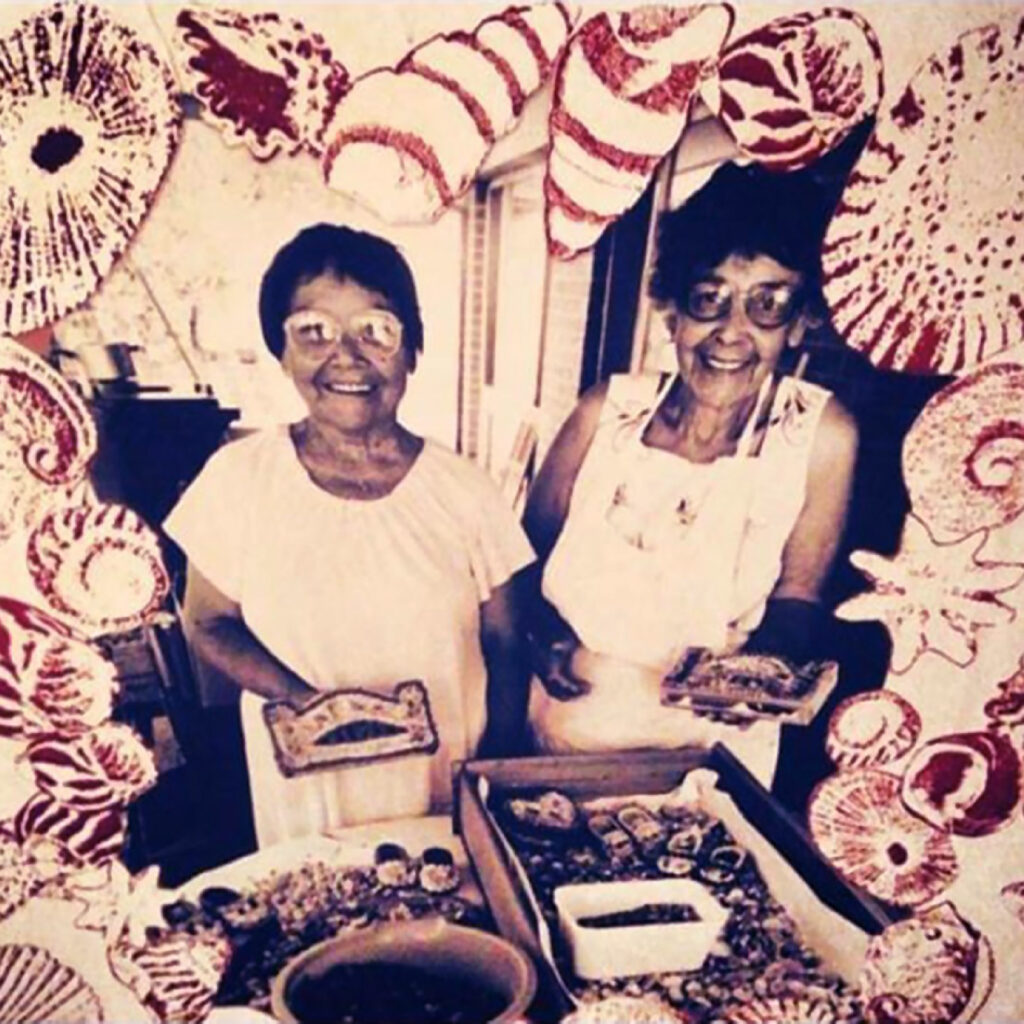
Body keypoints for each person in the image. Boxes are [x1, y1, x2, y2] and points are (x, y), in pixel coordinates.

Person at [165, 224, 534, 847]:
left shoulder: (468, 491)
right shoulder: (238, 480)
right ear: (281, 353)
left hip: (442, 791)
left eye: (376, 330)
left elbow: (506, 644)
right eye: (313, 331)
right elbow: (207, 623)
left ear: (412, 350)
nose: (347, 356)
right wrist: (314, 708)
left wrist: (491, 778)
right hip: (311, 798)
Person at [523, 164, 859, 785]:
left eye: (768, 303)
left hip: (708, 762)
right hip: (561, 745)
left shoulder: (821, 434)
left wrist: (756, 674)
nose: (733, 332)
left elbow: (800, 595)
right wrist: (538, 635)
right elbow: (522, 553)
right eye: (709, 299)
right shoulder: (607, 410)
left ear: (800, 320)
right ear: (671, 311)